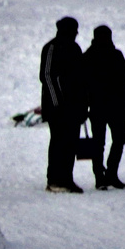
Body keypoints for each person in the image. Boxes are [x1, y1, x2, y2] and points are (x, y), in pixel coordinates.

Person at [39, 16, 87, 193]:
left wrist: (82, 104)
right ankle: (54, 180)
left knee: (70, 143)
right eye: (74, 30)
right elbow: (47, 76)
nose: (76, 33)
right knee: (59, 142)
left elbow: (80, 79)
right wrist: (57, 103)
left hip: (73, 107)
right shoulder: (51, 47)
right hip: (57, 108)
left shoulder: (75, 48)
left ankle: (67, 179)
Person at [83, 25, 125, 190]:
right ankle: (105, 175)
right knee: (109, 141)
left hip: (105, 107)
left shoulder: (90, 56)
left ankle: (105, 176)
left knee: (106, 142)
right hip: (108, 107)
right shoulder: (112, 55)